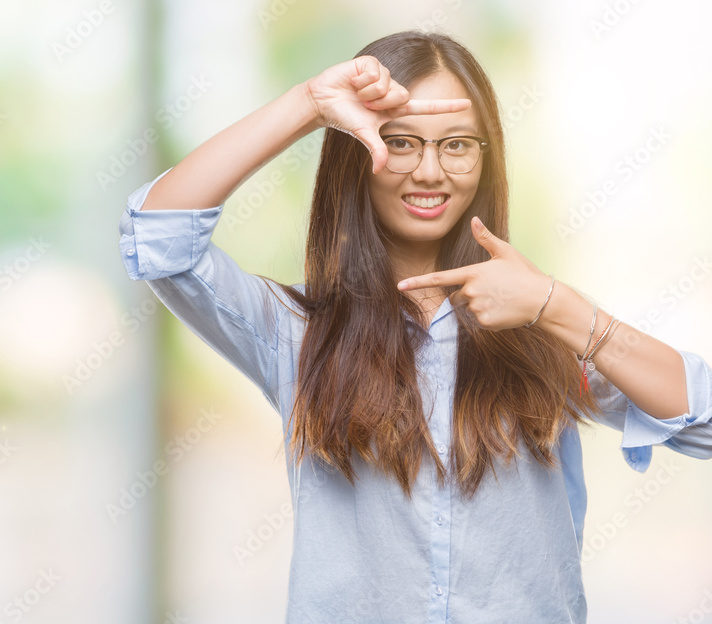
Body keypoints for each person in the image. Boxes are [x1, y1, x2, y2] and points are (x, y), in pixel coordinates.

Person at [116, 30, 712, 623]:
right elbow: (158, 238)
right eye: (399, 142)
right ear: (356, 151)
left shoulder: (542, 323)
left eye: (457, 145)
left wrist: (558, 307)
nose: (430, 171)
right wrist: (309, 105)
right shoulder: (295, 331)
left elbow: (703, 423)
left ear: (486, 158)